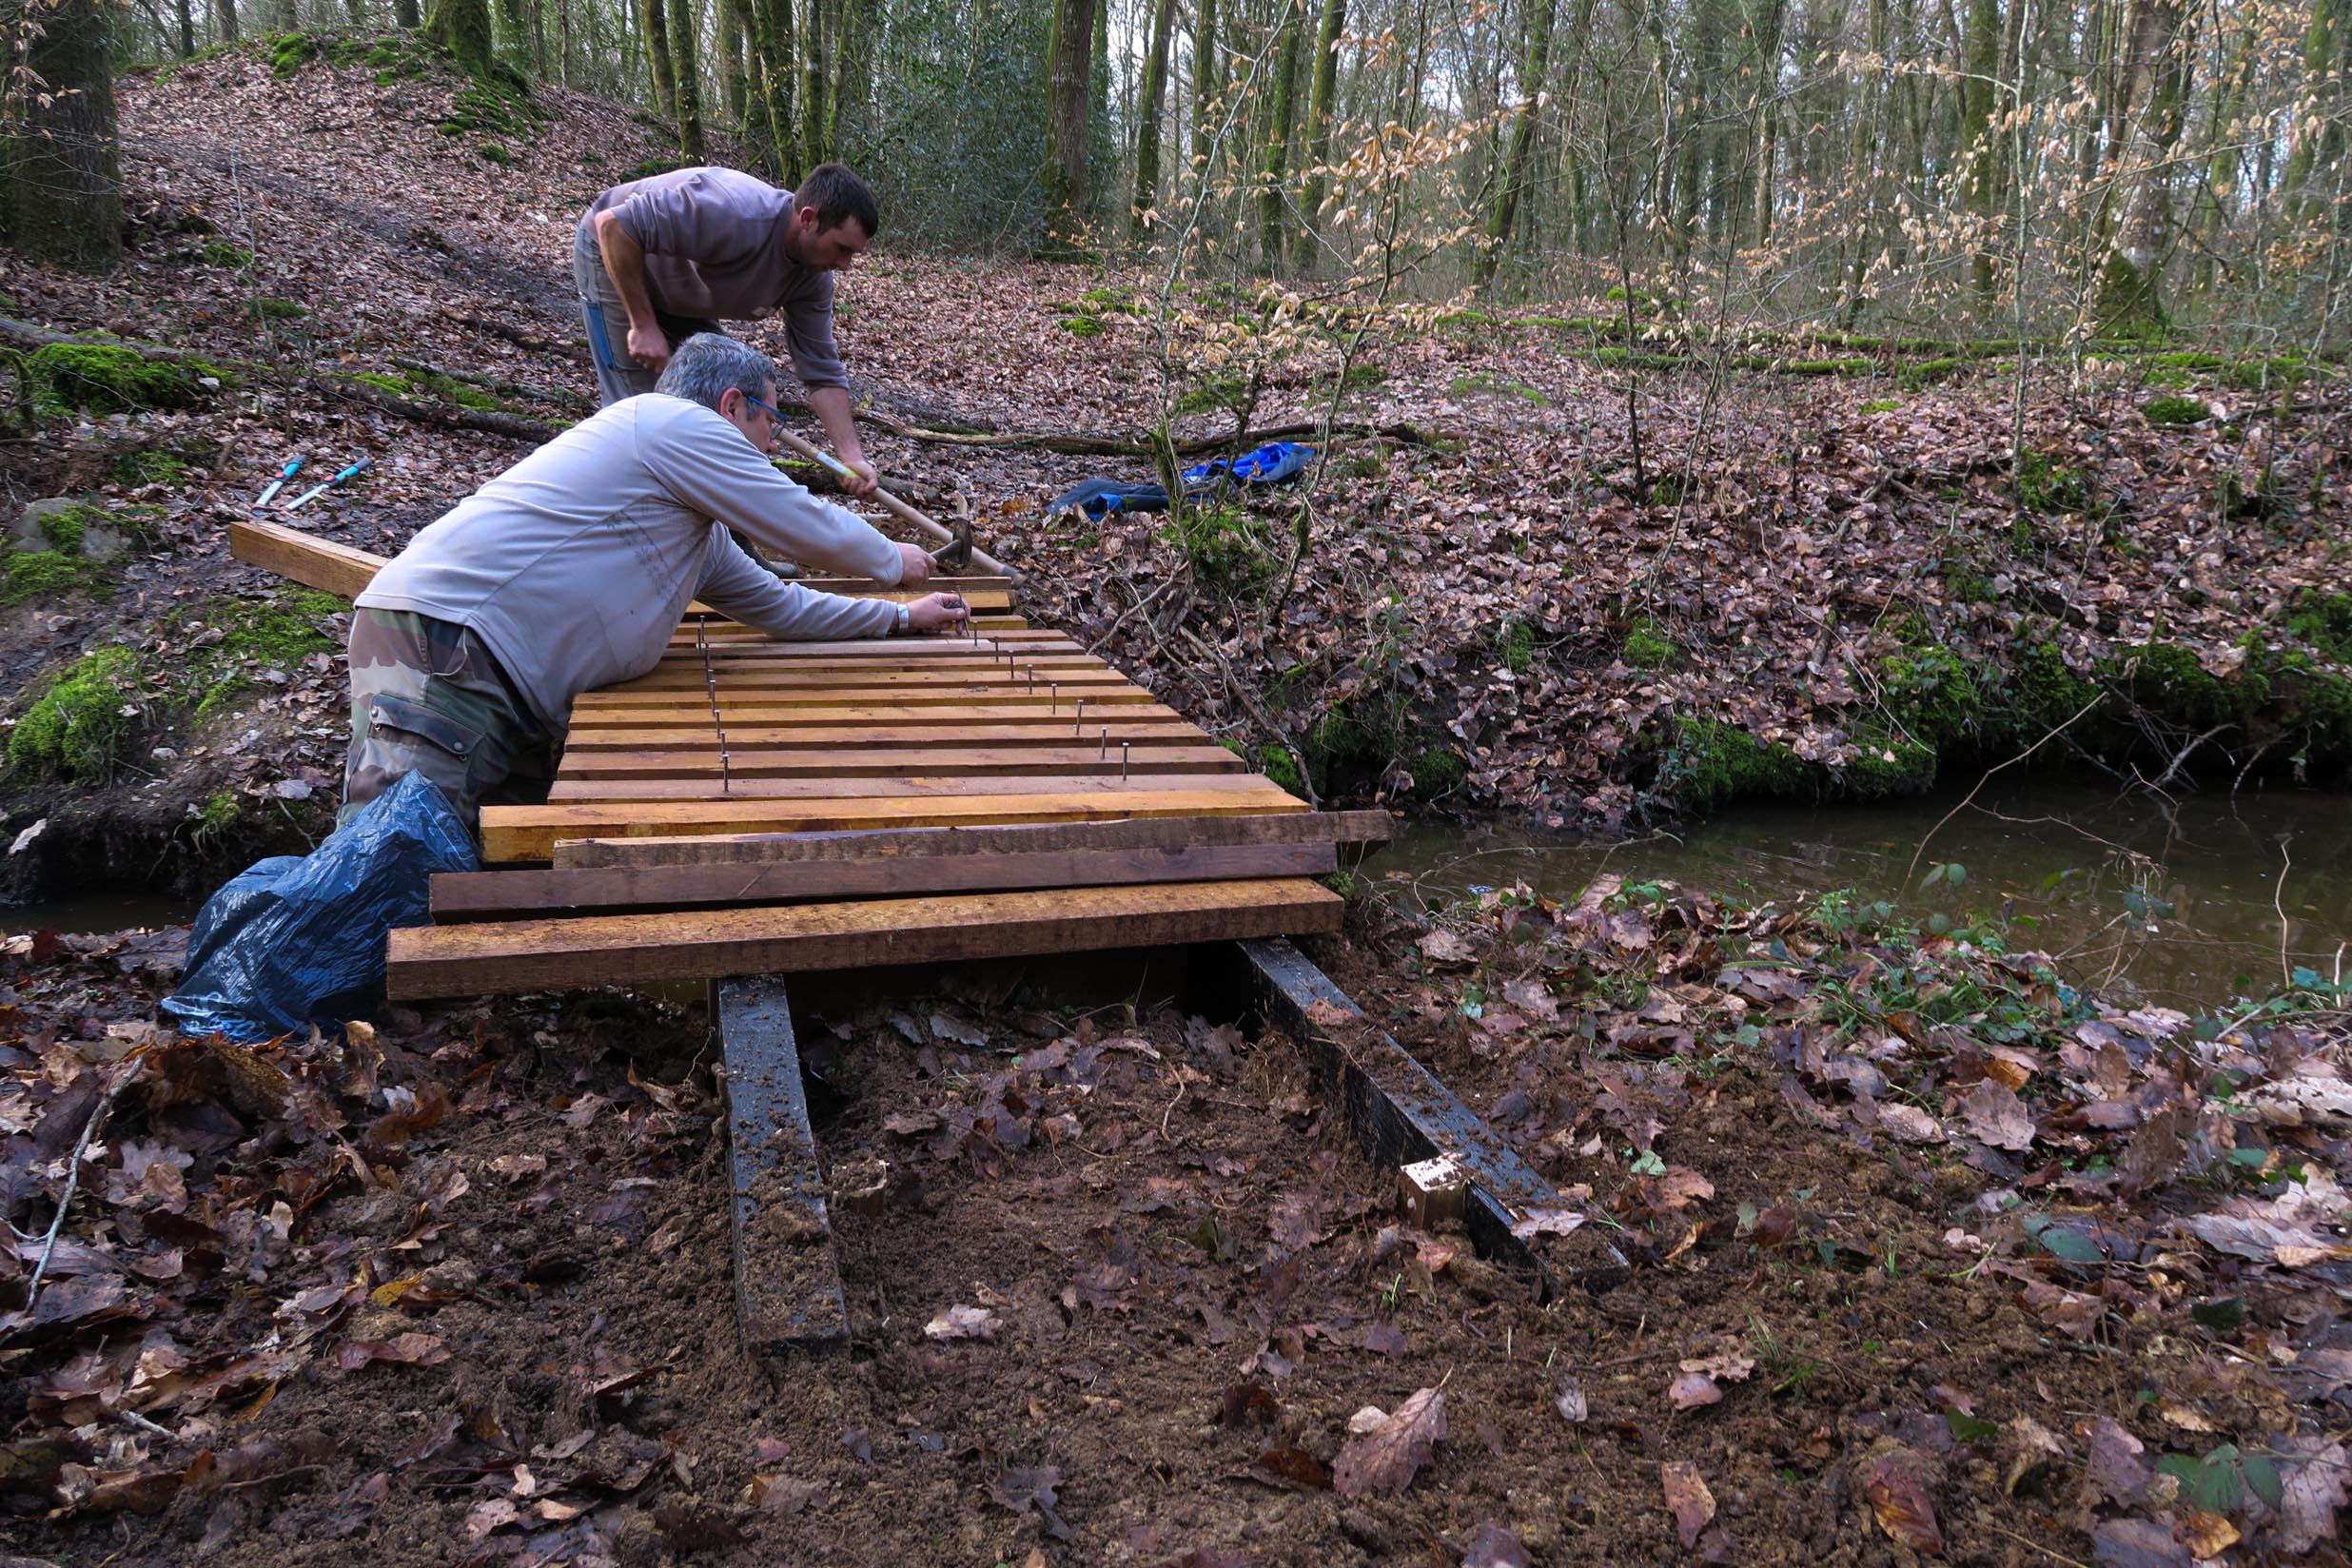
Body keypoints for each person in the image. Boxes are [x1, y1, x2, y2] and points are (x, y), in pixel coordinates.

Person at [338, 333, 968, 833]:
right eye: (770, 421)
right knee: (383, 867)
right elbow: (797, 518)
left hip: (493, 680)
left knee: (454, 873)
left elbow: (781, 607)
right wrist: (890, 559)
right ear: (731, 406)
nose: (774, 443)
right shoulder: (665, 423)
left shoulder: (692, 528)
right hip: (445, 652)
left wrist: (904, 618)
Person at [575, 162, 881, 499]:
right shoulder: (735, 213)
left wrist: (851, 455)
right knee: (640, 418)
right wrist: (644, 325)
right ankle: (614, 517)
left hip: (683, 295)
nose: (845, 265)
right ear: (808, 219)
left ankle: (728, 545)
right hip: (615, 255)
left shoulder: (813, 279)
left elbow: (820, 368)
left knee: (725, 413)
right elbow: (615, 225)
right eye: (843, 249)